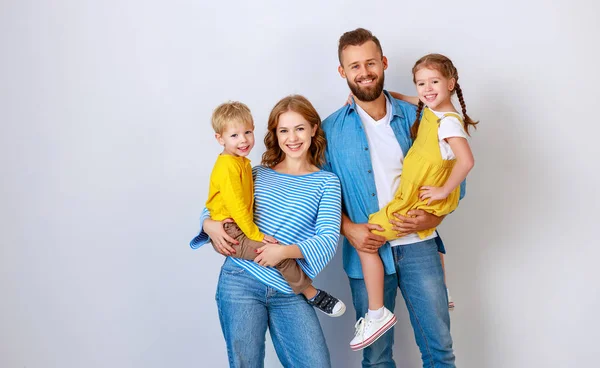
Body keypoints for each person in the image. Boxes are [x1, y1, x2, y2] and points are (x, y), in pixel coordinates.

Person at [322, 28, 463, 366]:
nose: (364, 71)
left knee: (439, 350)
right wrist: (348, 228)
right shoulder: (328, 130)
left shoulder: (420, 117)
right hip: (367, 251)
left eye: (370, 62)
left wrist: (436, 216)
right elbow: (320, 195)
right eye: (354, 66)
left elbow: (455, 172)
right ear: (343, 72)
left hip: (420, 247)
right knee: (377, 357)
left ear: (383, 63)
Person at [190, 95, 342, 368]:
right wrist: (208, 224)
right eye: (284, 130)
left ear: (313, 129)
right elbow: (222, 203)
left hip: (289, 289)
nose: (292, 138)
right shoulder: (257, 172)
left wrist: (282, 252)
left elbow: (328, 238)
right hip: (240, 281)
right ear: (275, 134)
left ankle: (309, 292)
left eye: (299, 128)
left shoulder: (326, 182)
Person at [354, 53, 477, 350]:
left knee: (367, 236)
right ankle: (442, 290)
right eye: (421, 83)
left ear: (451, 83)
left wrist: (443, 190)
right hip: (418, 202)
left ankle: (376, 313)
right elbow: (417, 98)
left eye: (433, 82)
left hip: (417, 202)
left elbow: (467, 161)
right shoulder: (434, 109)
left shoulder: (447, 123)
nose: (426, 89)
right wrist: (389, 95)